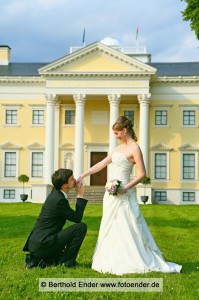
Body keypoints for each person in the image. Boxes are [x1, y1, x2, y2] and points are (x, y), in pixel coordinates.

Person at [77, 116, 182, 275]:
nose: (116, 136)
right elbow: (102, 164)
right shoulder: (118, 149)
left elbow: (142, 174)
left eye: (117, 133)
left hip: (124, 193)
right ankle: (108, 259)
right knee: (109, 225)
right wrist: (84, 174)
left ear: (124, 131)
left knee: (128, 225)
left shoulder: (135, 148)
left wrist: (125, 188)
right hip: (110, 195)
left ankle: (132, 259)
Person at [23, 168, 88, 269]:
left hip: (39, 243)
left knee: (55, 257)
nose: (75, 180)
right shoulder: (59, 200)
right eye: (72, 179)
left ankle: (38, 260)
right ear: (64, 185)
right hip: (43, 243)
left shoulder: (55, 194)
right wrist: (80, 195)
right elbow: (77, 218)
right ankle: (66, 262)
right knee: (81, 227)